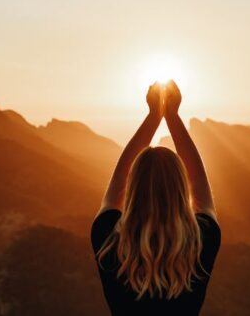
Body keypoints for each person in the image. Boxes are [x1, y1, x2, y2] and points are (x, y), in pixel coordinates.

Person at [91, 80, 221, 316]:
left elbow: (119, 179)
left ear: (133, 187)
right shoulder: (201, 241)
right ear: (181, 189)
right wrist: (172, 116)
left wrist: (153, 116)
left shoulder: (108, 240)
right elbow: (200, 185)